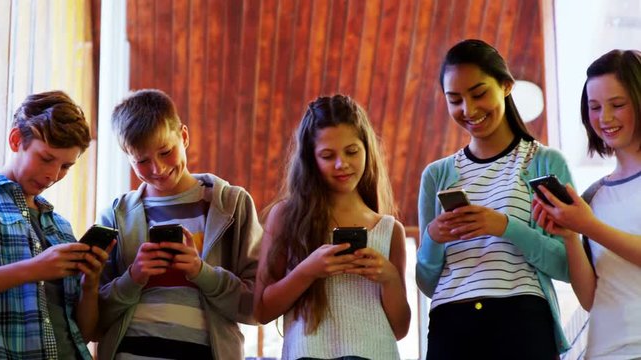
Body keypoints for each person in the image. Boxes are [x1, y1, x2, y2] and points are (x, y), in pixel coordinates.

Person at [416, 39, 573, 359]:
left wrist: (504, 226)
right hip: (450, 323)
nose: (468, 109)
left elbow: (566, 264)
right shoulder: (436, 175)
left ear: (506, 86)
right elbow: (426, 281)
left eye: (478, 93)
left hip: (522, 320)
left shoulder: (544, 162)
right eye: (455, 99)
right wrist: (433, 237)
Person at [95, 89, 262, 360]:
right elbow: (93, 318)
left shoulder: (232, 205)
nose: (157, 169)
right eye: (142, 161)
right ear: (127, 156)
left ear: (184, 136)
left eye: (165, 152)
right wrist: (133, 277)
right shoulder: (114, 217)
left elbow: (256, 307)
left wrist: (200, 272)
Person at [253, 94, 410, 360]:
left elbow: (399, 329)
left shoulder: (389, 230)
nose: (342, 164)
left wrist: (389, 277)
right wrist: (308, 270)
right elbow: (262, 310)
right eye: (327, 155)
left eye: (352, 151)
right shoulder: (286, 217)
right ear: (311, 160)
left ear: (367, 150)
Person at [0, 90, 111, 359]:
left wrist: (90, 284)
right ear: (16, 140)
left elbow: (84, 334)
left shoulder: (61, 227)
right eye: (46, 158)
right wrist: (33, 269)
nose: (53, 175)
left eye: (66, 166)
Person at [533, 49, 641, 359]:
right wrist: (570, 235)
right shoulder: (594, 195)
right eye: (594, 107)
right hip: (604, 350)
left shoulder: (590, 213)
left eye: (617, 105)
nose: (604, 118)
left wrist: (590, 226)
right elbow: (591, 298)